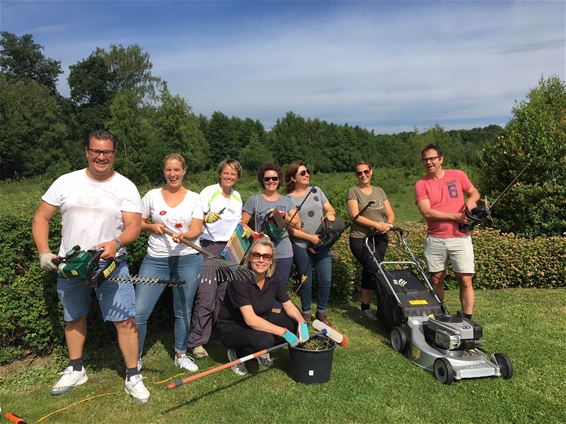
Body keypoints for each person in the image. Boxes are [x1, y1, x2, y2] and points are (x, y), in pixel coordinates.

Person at [32, 129, 149, 403]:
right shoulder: (65, 182)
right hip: (70, 265)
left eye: (107, 152)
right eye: (96, 151)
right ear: (87, 152)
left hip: (111, 265)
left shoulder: (125, 186)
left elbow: (134, 225)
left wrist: (117, 243)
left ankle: (133, 375)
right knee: (73, 316)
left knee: (125, 319)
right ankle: (76, 369)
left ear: (114, 154)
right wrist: (44, 252)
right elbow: (41, 218)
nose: (101, 156)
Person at [134, 153, 203, 373]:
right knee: (139, 311)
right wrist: (151, 227)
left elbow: (197, 228)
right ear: (164, 172)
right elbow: (137, 222)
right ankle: (133, 357)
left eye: (177, 170)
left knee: (183, 310)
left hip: (188, 260)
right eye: (168, 170)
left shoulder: (194, 197)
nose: (172, 174)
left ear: (184, 171)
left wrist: (186, 236)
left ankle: (181, 354)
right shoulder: (152, 196)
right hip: (156, 260)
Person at [217, 238, 309, 376]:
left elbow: (288, 304)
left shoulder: (274, 278)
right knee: (265, 340)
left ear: (271, 260)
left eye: (266, 256)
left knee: (292, 323)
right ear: (250, 257)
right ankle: (237, 352)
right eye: (257, 255)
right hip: (234, 326)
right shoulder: (239, 279)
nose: (261, 260)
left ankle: (260, 352)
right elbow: (250, 320)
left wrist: (302, 323)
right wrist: (282, 332)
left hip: (259, 318)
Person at [415, 144, 480, 319]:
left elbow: (474, 192)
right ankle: (439, 315)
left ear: (440, 159)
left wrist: (471, 202)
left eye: (432, 158)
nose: (429, 162)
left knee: (465, 280)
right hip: (435, 239)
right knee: (436, 279)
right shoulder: (421, 184)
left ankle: (467, 319)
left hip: (461, 238)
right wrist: (456, 217)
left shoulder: (458, 175)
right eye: (425, 159)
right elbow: (427, 211)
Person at [188, 159, 244, 359]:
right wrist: (205, 217)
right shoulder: (208, 192)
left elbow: (238, 225)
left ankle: (217, 334)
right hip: (209, 247)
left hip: (230, 249)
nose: (229, 176)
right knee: (206, 296)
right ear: (220, 174)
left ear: (237, 177)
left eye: (233, 174)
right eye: (226, 173)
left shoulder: (237, 197)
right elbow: (194, 217)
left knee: (223, 296)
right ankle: (197, 342)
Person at [285, 161, 336, 325]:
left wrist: (330, 214)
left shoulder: (317, 190)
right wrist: (310, 238)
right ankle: (306, 312)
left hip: (322, 243)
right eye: (302, 173)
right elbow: (291, 229)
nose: (307, 174)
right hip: (301, 245)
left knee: (326, 279)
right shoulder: (288, 199)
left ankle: (321, 312)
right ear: (293, 178)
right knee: (305, 280)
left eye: (307, 171)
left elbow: (330, 208)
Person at [347, 161, 396, 321]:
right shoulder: (354, 191)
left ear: (371, 171)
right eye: (359, 173)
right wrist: (376, 224)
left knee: (371, 271)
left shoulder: (379, 191)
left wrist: (388, 224)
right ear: (356, 175)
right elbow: (355, 215)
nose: (363, 175)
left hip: (380, 237)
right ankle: (385, 306)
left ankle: (366, 307)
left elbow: (390, 213)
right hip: (360, 238)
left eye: (366, 171)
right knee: (375, 270)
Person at [241, 163, 300, 290]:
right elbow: (242, 223)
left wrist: (281, 216)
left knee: (280, 288)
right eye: (267, 179)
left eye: (274, 178)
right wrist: (255, 235)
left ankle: (276, 310)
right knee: (260, 287)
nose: (271, 181)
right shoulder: (254, 200)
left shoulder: (287, 201)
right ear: (262, 181)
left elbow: (298, 224)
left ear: (279, 180)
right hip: (261, 253)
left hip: (284, 252)